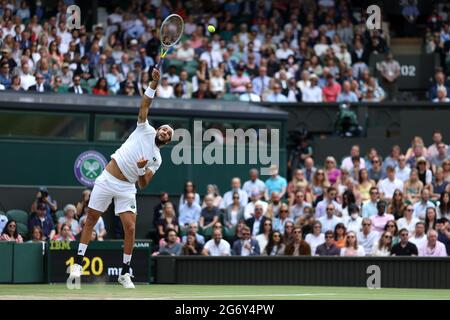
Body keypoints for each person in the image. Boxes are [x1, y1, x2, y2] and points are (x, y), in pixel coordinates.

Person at [68, 68, 173, 289]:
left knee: (131, 228)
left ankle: (125, 271)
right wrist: (153, 84)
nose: (164, 132)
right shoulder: (145, 128)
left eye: (168, 134)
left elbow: (143, 184)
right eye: (164, 128)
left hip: (127, 187)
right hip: (108, 178)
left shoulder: (158, 159)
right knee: (91, 219)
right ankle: (78, 262)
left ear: (168, 141)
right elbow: (144, 104)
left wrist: (142, 169)